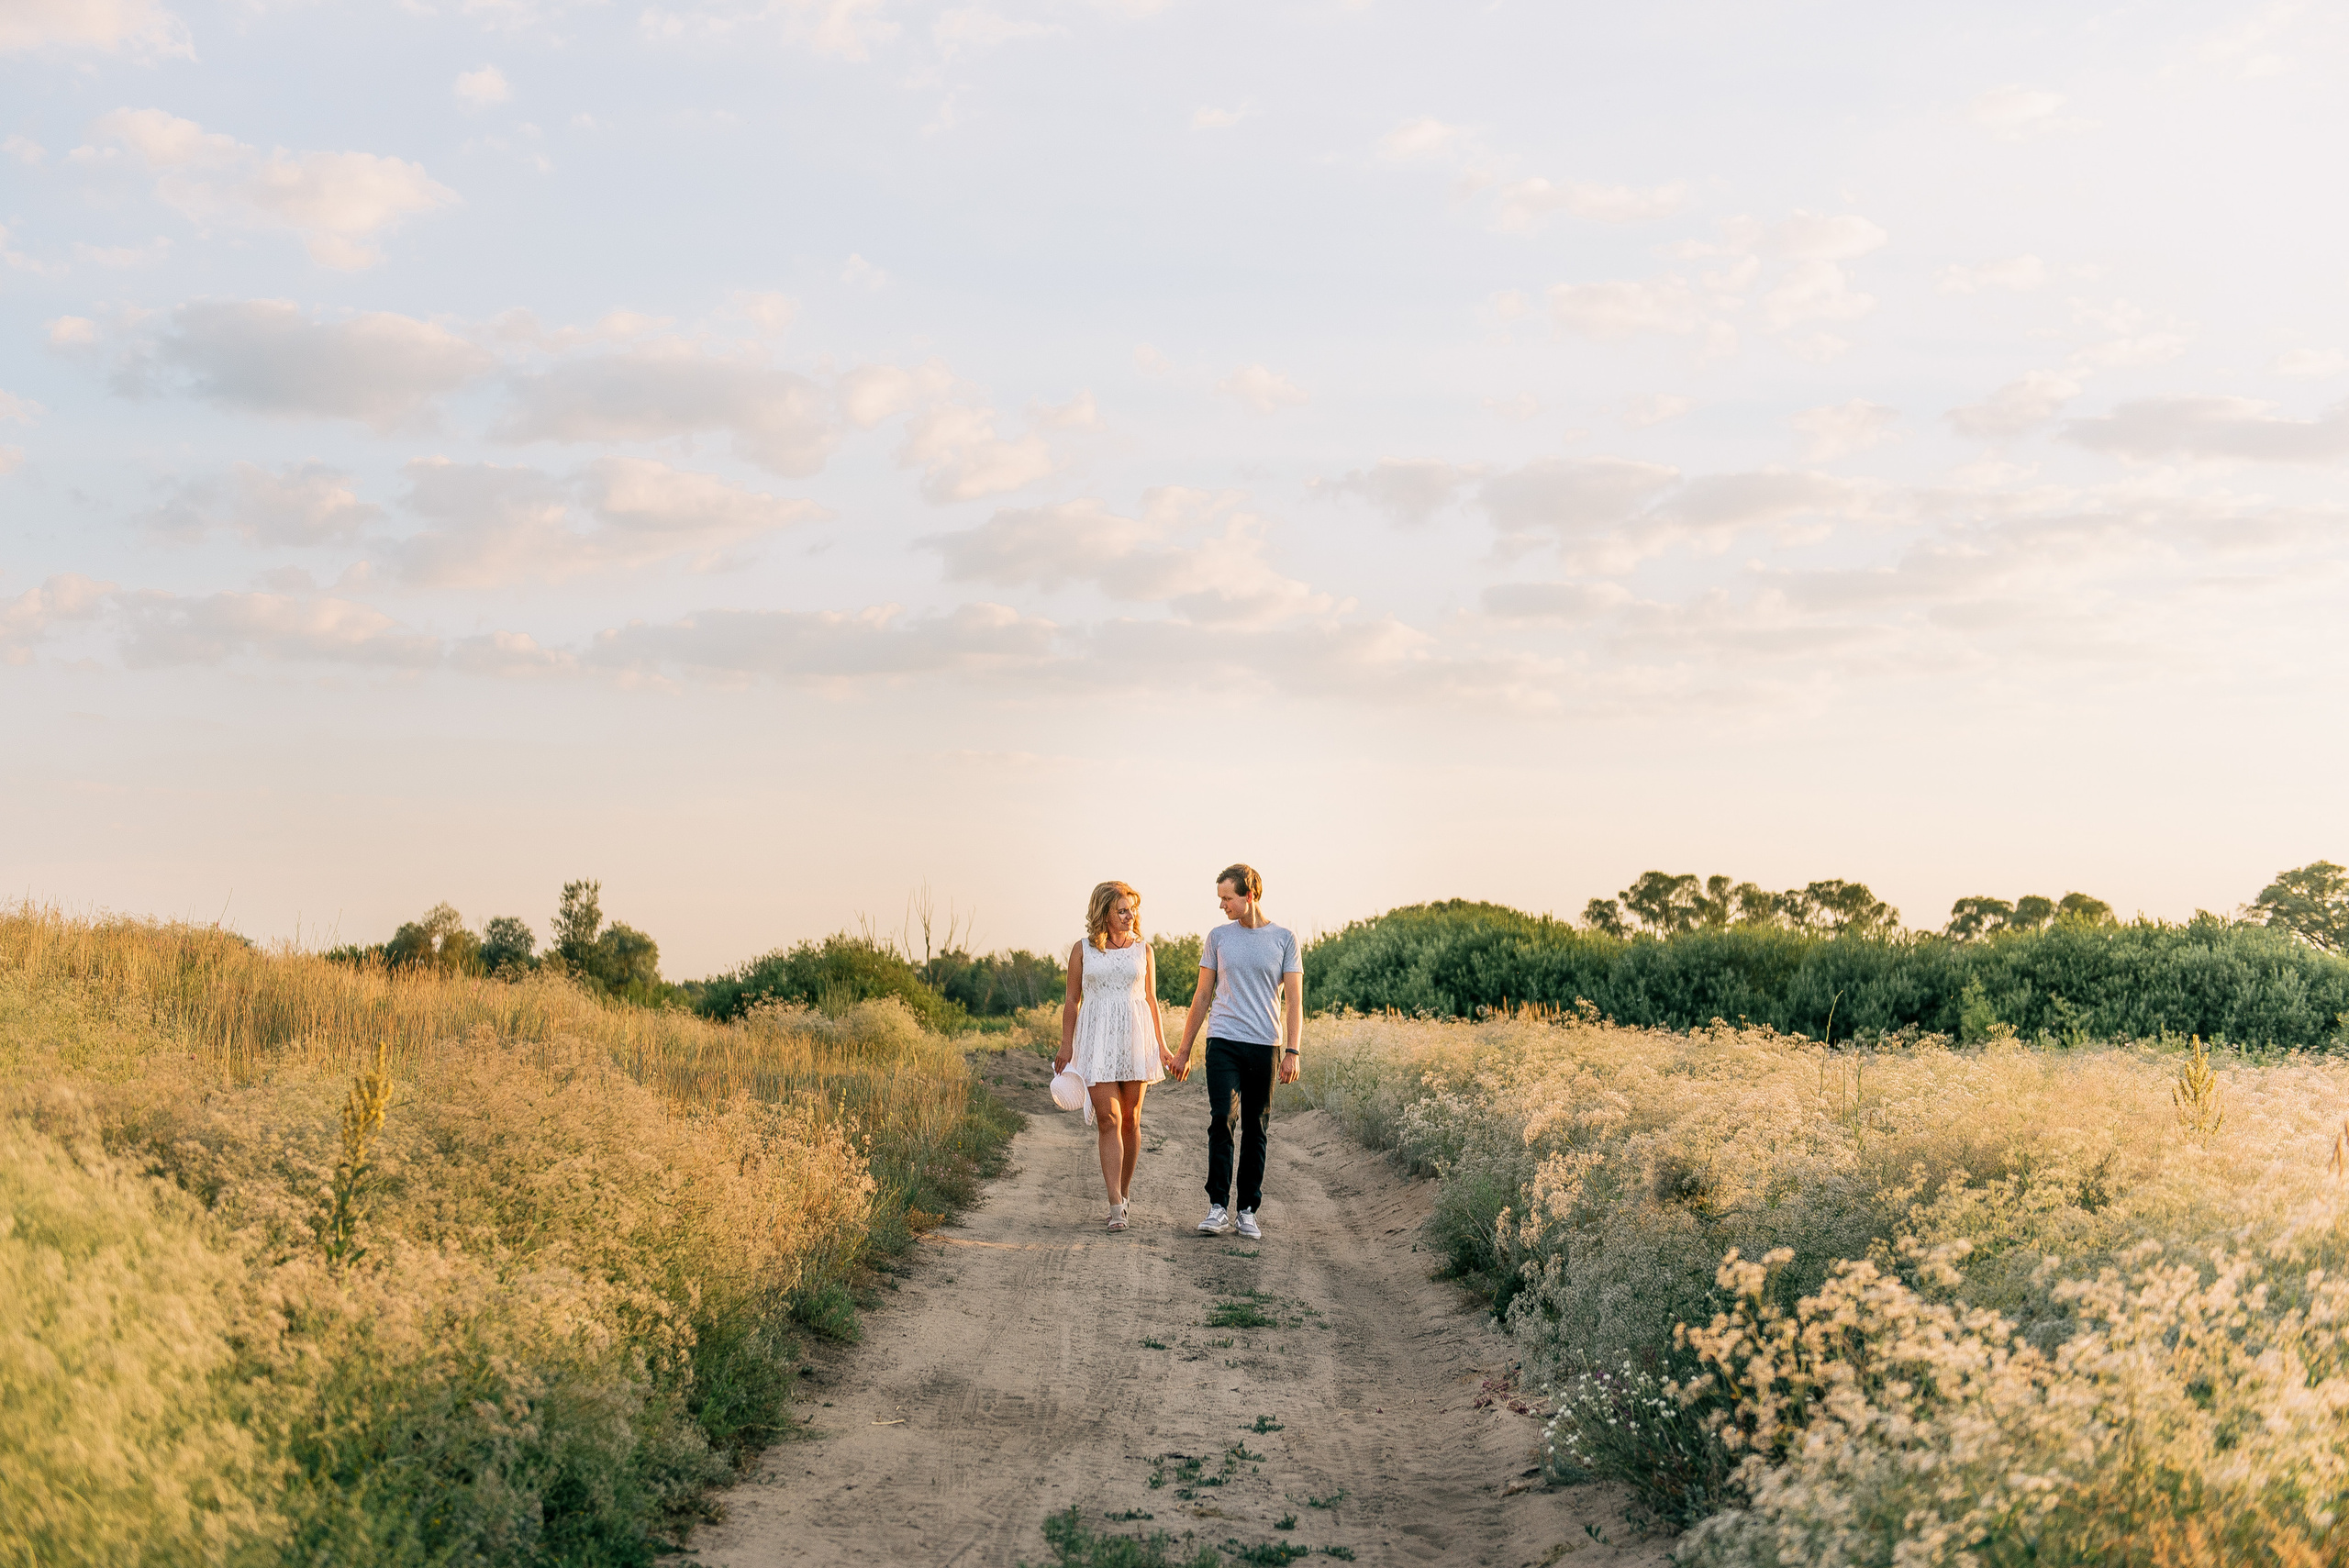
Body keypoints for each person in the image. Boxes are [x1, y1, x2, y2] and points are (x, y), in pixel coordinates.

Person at [1172, 863, 1302, 1240]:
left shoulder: (1284, 939)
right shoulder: (1218, 937)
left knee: (1257, 1127)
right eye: (1221, 899)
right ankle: (1217, 1207)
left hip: (1266, 1045)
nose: (1223, 905)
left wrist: (1293, 1051)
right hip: (1223, 1041)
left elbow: (1294, 1002)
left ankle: (1246, 1210)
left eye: (1228, 898)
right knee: (1222, 1119)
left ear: (1250, 895)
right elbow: (1202, 996)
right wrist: (1184, 1050)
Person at [1054, 880, 1175, 1232]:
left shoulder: (1144, 950)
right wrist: (1067, 1044)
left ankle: (1123, 1193)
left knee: (1131, 1120)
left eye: (1132, 909)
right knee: (1108, 1118)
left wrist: (1163, 1046)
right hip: (1096, 1039)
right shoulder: (1083, 950)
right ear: (1104, 912)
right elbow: (1071, 1001)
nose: (1129, 915)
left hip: (1135, 1039)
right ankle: (1114, 1206)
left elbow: (1151, 1000)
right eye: (1122, 910)